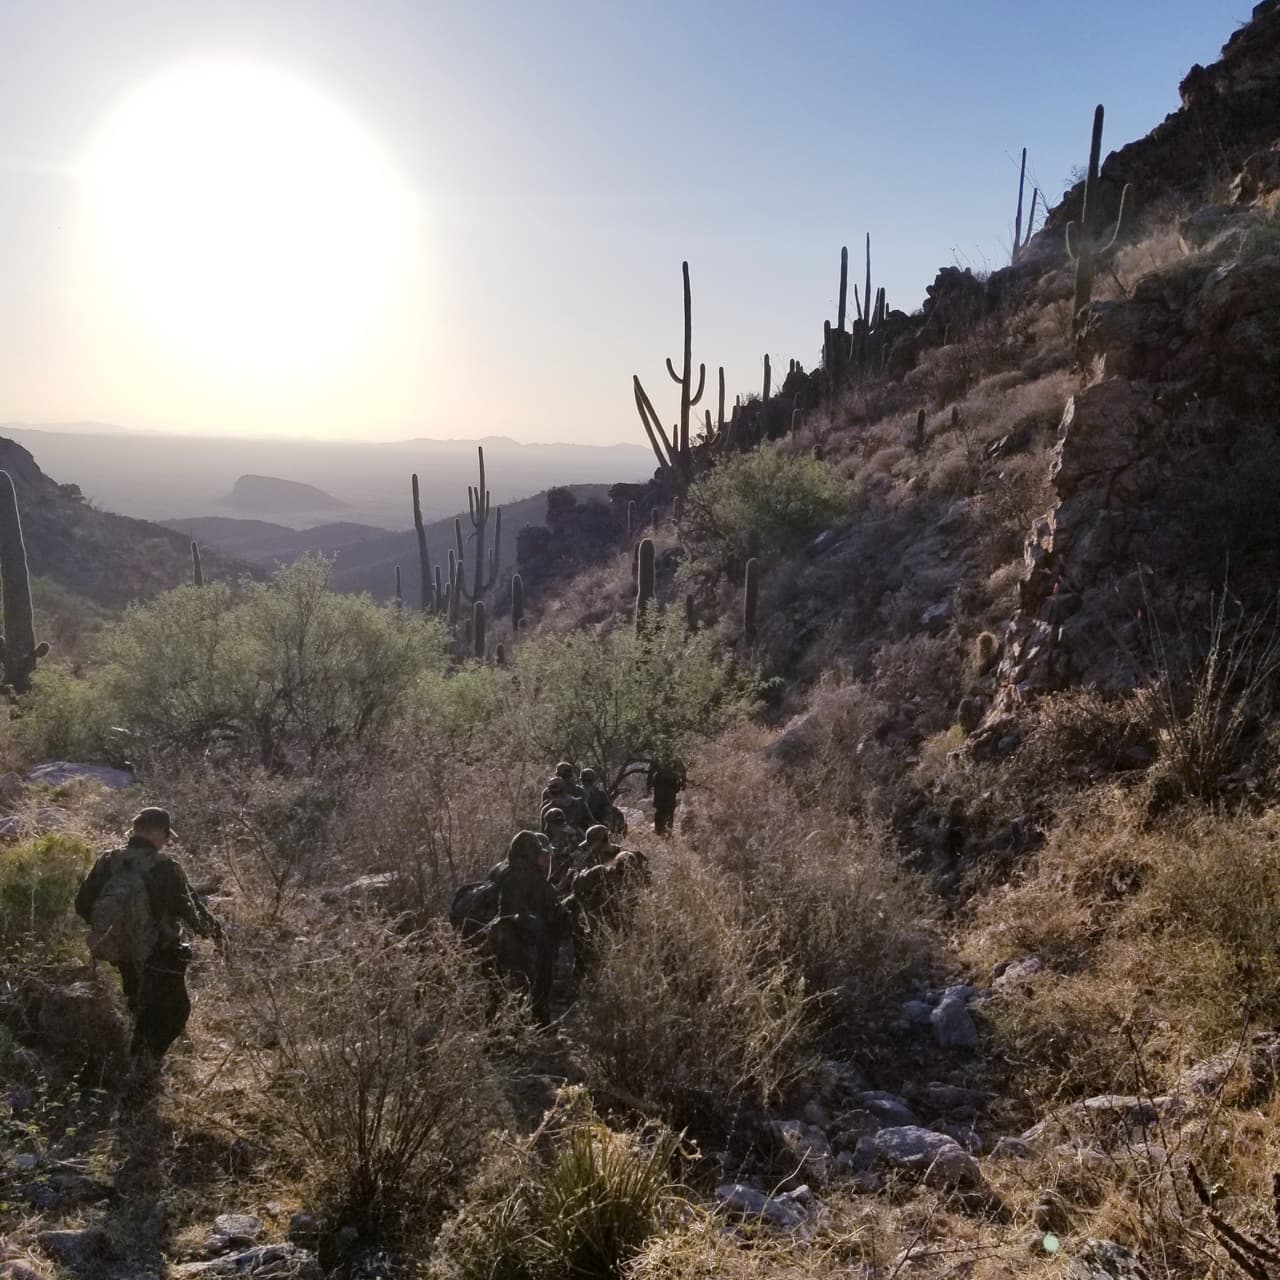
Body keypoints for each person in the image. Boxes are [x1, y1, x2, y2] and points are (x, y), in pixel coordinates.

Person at [75, 807, 223, 1065]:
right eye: (166, 834)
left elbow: (82, 903)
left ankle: (134, 1062)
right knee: (176, 1012)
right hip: (160, 954)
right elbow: (193, 912)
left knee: (137, 1004)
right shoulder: (165, 868)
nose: (166, 841)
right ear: (155, 832)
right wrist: (217, 933)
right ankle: (146, 1067)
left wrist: (116, 929)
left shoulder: (109, 861)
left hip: (123, 952)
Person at [486, 830, 566, 1025]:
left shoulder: (521, 874)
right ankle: (517, 1031)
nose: (544, 860)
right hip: (521, 942)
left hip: (524, 941)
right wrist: (535, 924)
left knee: (516, 988)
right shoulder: (518, 877)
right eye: (539, 855)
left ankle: (519, 1028)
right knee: (521, 988)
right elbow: (512, 911)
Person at [646, 760, 686, 836]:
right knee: (669, 810)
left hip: (660, 787)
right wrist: (683, 783)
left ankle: (659, 831)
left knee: (660, 809)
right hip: (670, 787)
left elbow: (651, 772)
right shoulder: (674, 755)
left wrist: (648, 786)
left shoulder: (659, 755)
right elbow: (682, 770)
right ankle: (667, 831)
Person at [579, 768, 625, 834]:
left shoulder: (576, 792)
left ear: (581, 780)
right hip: (593, 825)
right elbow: (608, 809)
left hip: (587, 824)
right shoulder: (599, 793)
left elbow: (607, 808)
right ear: (593, 780)